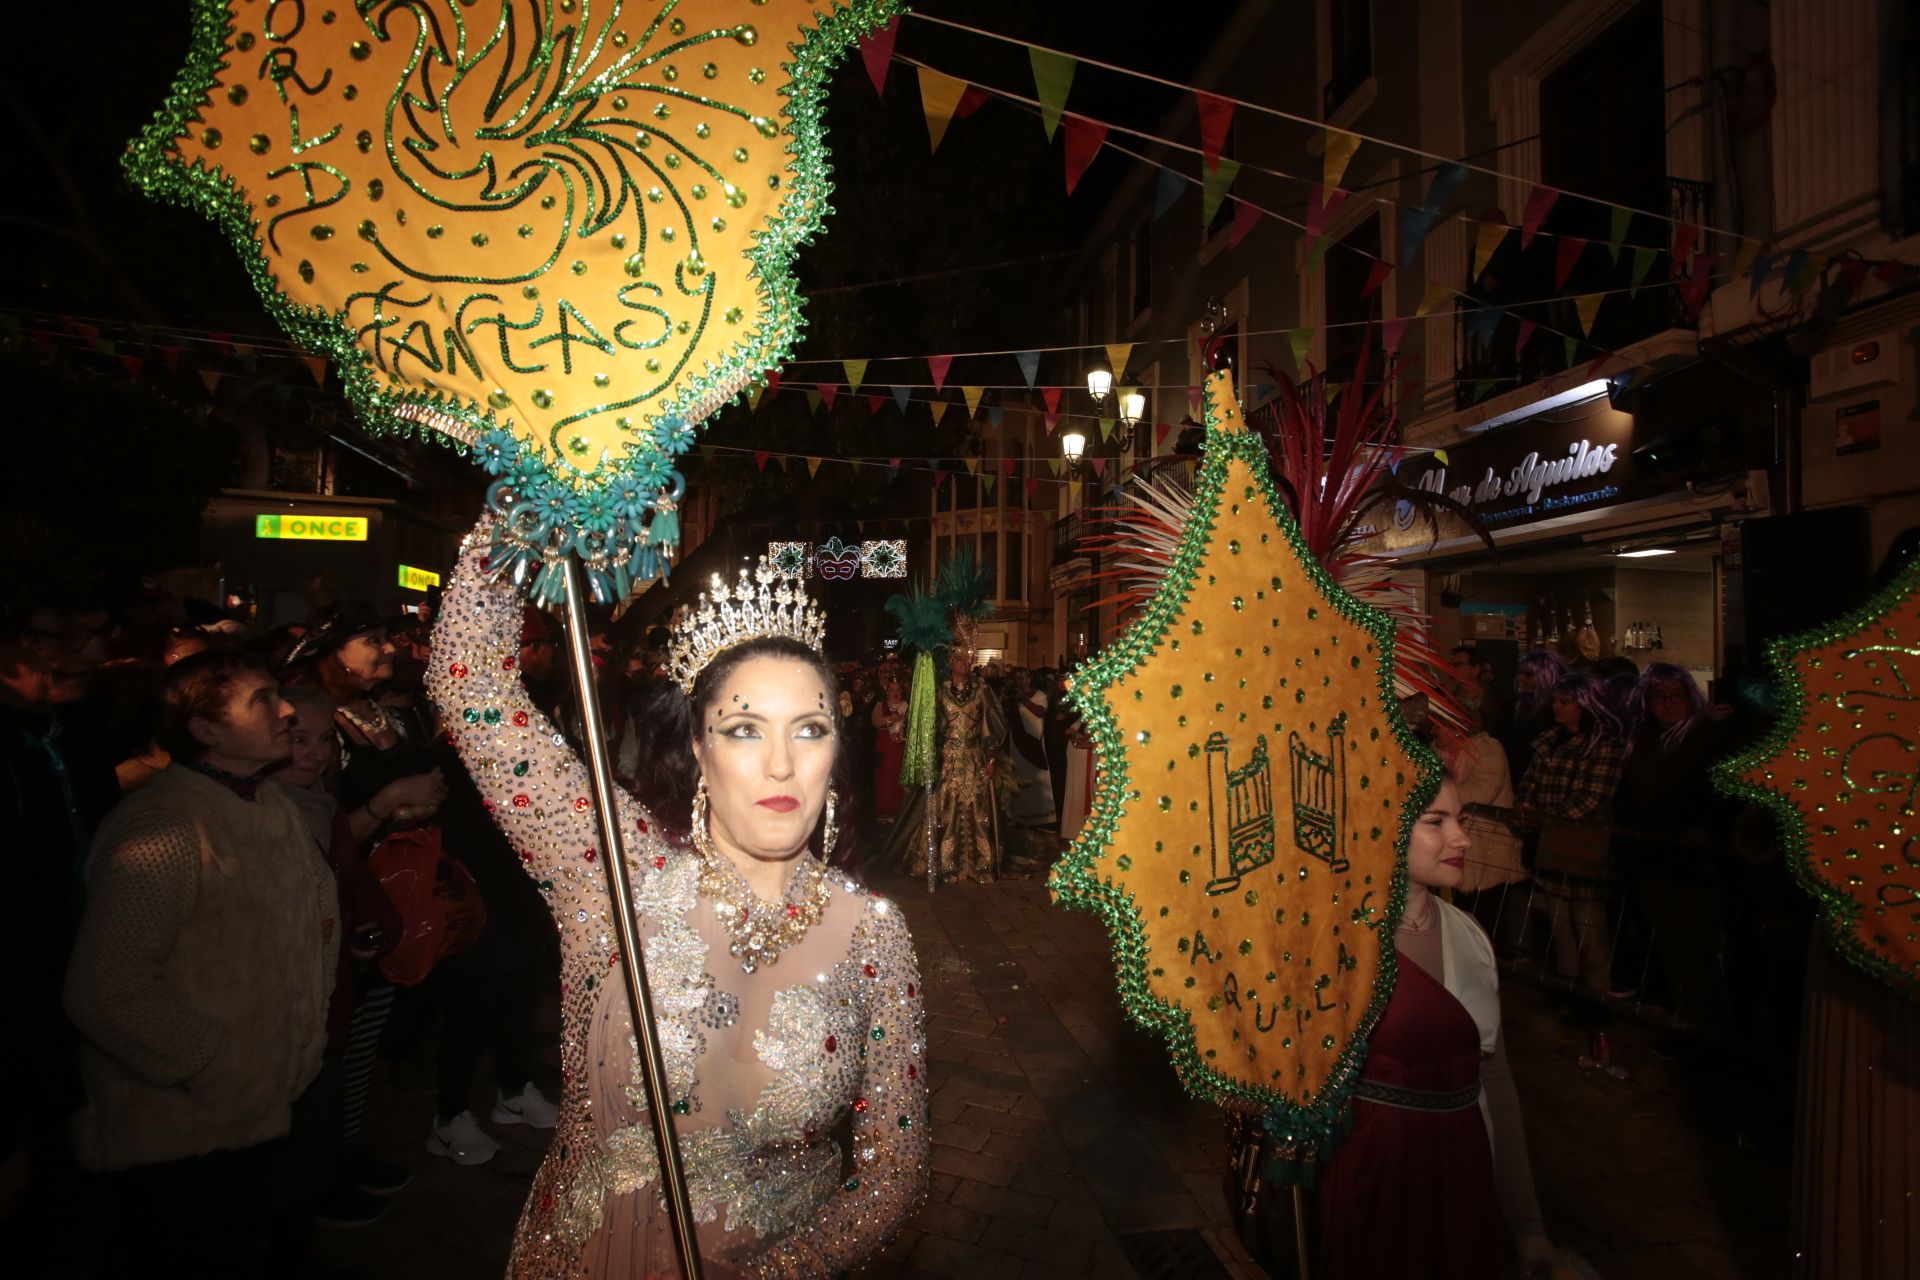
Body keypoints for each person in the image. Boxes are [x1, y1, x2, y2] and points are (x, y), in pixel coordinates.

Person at [429, 533, 928, 1276]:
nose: (782, 764)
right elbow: (471, 692)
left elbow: (894, 1173)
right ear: (698, 747)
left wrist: (781, 1272)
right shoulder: (613, 876)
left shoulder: (874, 937)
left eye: (810, 730)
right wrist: (515, 519)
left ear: (836, 749)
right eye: (744, 729)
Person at [64, 651, 339, 1270]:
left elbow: (312, 931)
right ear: (205, 730)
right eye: (263, 700)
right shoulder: (163, 827)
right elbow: (104, 991)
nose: (289, 709)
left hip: (253, 1115)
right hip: (181, 1133)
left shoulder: (268, 806)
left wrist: (299, 1047)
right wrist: (222, 1065)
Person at [286, 603, 555, 1168]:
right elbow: (320, 818)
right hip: (363, 889)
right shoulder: (315, 726)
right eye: (372, 640)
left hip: (430, 878)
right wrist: (393, 803)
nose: (389, 649)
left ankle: (352, 1145)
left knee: (390, 1027)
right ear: (331, 656)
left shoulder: (393, 714)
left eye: (389, 638)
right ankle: (335, 1156)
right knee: (352, 1030)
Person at [1315, 778, 1555, 1279]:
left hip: (1465, 1173)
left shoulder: (1471, 937)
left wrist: (1527, 1225)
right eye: (1435, 822)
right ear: (1382, 828)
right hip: (1377, 1179)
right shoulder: (1336, 945)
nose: (1462, 838)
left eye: (1461, 820)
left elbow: (1495, 1080)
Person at [0, 582, 119, 1261]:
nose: (91, 654)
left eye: (99, 635)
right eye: (67, 638)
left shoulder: (72, 735)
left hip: (78, 1019)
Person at [1614, 663, 1733, 1025]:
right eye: (1658, 697)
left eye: (1676, 695)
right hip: (1653, 859)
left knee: (1696, 954)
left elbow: (1691, 793)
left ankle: (1704, 1028)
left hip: (1691, 867)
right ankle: (1683, 1017)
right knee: (1667, 948)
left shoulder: (1702, 737)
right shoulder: (1644, 741)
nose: (1668, 704)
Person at [1516, 672, 1627, 993]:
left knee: (1589, 928)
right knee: (1559, 924)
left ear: (1586, 705)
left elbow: (1592, 799)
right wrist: (1526, 809)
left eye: (1565, 702)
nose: (1557, 707)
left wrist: (1539, 816)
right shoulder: (1549, 742)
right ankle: (1567, 984)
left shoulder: (1604, 746)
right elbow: (1530, 784)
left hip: (1582, 849)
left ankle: (1596, 991)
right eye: (1555, 701)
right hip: (1549, 846)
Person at [1432, 701, 1528, 951]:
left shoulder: (1488, 752)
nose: (1433, 731)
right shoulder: (1434, 753)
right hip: (1451, 846)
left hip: (1486, 848)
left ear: (1457, 728)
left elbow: (1480, 791)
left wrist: (1433, 796)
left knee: (1483, 916)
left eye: (1438, 725)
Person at [913, 647, 1001, 883]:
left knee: (977, 811)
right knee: (946, 810)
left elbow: (992, 726)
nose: (965, 662)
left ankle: (980, 864)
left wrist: (991, 759)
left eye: (967, 658)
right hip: (948, 760)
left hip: (974, 759)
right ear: (950, 661)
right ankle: (946, 864)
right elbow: (930, 727)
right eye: (959, 658)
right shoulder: (939, 691)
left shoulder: (982, 691)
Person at [870, 671, 908, 822]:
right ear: (887, 691)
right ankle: (883, 811)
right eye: (892, 689)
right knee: (883, 778)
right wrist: (891, 718)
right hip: (884, 745)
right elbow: (875, 721)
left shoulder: (906, 706)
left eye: (898, 689)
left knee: (897, 778)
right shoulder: (881, 705)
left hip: (900, 746)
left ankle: (896, 810)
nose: (895, 693)